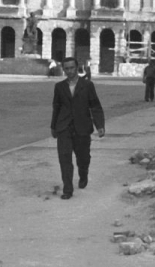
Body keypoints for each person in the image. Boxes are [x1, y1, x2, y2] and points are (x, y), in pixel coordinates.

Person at [50, 56, 105, 200]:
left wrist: (99, 125)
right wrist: (53, 126)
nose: (69, 71)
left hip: (82, 127)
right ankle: (67, 189)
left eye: (72, 68)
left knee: (83, 157)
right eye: (66, 68)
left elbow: (95, 106)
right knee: (64, 158)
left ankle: (83, 173)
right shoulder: (59, 87)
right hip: (64, 127)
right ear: (64, 69)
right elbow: (56, 107)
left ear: (77, 68)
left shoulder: (87, 85)